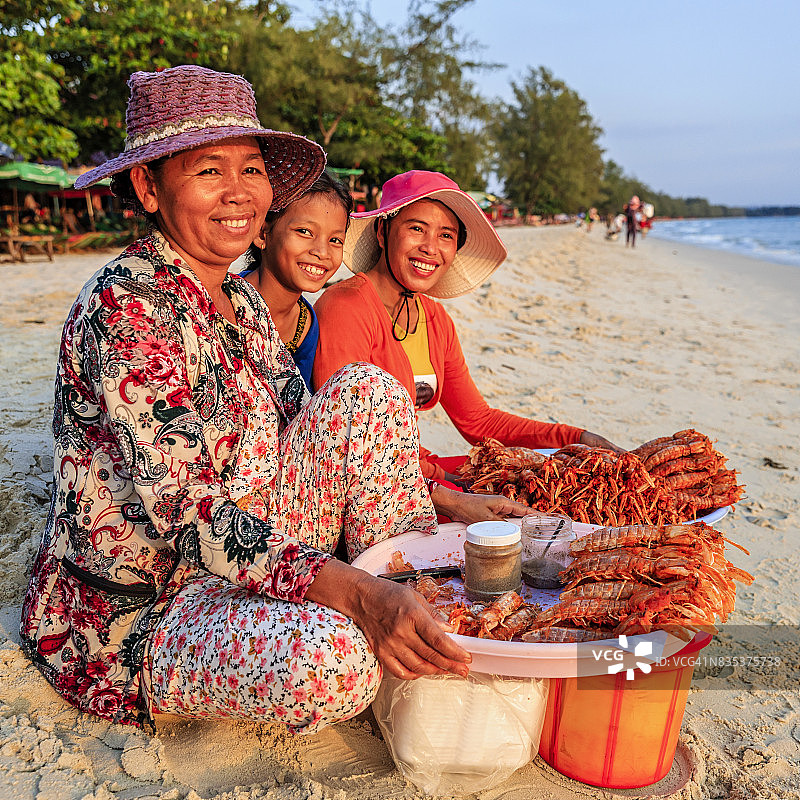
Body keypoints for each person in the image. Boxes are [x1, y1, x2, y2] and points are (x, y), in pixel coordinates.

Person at [20, 66, 470, 735]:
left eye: (252, 169)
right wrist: (355, 593)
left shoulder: (241, 299)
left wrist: (452, 502)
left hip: (259, 545)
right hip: (153, 605)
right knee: (336, 662)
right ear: (149, 186)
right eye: (208, 171)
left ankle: (410, 603)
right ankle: (384, 623)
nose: (239, 194)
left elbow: (312, 423)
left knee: (369, 390)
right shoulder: (127, 304)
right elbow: (188, 515)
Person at [312, 170, 622, 505]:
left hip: (416, 469)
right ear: (384, 231)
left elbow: (477, 420)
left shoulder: (434, 319)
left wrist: (573, 438)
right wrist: (450, 483)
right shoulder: (346, 307)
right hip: (368, 486)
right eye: (416, 228)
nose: (430, 248)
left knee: (565, 480)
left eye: (446, 235)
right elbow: (347, 443)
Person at [240, 171, 352, 390]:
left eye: (335, 240)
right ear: (263, 233)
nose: (322, 251)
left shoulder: (306, 324)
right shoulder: (224, 302)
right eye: (304, 231)